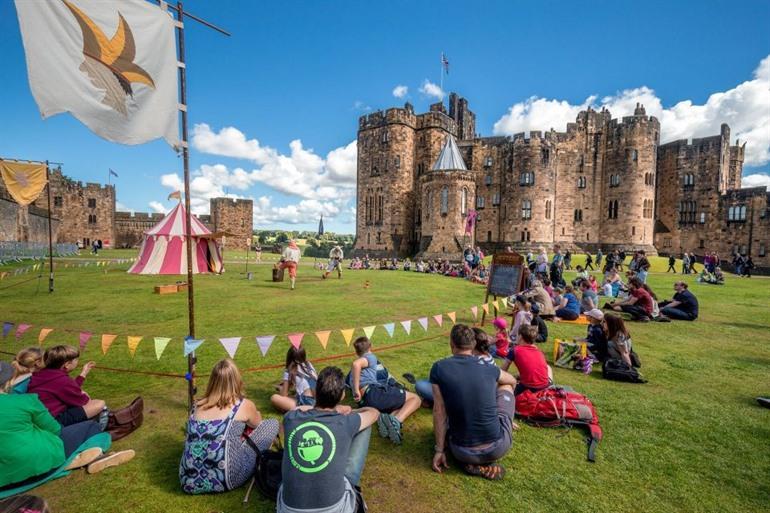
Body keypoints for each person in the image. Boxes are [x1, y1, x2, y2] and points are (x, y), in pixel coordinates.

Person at [0, 362, 129, 491]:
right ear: (8, 382)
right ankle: (88, 455)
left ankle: (86, 455)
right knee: (90, 427)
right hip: (41, 460)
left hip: (5, 478)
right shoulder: (25, 401)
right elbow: (55, 429)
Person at [278, 366, 378, 512]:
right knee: (365, 426)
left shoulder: (291, 418)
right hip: (335, 509)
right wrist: (348, 411)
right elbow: (373, 413)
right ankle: (351, 487)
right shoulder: (346, 422)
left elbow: (296, 409)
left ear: (316, 392)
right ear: (342, 395)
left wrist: (335, 410)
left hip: (287, 509)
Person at [430, 324, 517, 480]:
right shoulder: (489, 367)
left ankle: (469, 462)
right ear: (473, 345)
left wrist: (439, 450)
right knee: (506, 386)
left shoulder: (439, 368)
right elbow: (511, 381)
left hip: (460, 450)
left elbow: (439, 411)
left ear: (452, 344)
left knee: (450, 420)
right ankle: (506, 424)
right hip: (498, 447)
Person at [180, 359, 279, 494]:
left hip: (188, 480)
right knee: (272, 424)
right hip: (228, 479)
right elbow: (258, 425)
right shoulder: (242, 404)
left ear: (212, 381)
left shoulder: (197, 406)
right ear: (236, 380)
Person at [349, 337, 421, 444]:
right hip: (374, 394)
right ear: (370, 347)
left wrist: (356, 391)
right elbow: (356, 364)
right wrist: (356, 390)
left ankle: (389, 419)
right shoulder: (370, 357)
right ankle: (397, 421)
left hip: (365, 402)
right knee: (415, 398)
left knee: (403, 404)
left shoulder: (353, 374)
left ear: (356, 352)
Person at [28, 345, 107, 428]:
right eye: (76, 360)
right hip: (53, 421)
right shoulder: (62, 380)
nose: (77, 362)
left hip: (37, 418)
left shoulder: (40, 373)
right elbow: (83, 401)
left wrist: (83, 373)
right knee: (99, 404)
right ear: (67, 364)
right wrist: (85, 395)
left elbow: (69, 389)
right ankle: (99, 428)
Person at [502, 325, 552, 393]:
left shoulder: (515, 350)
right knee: (548, 367)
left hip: (528, 388)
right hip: (545, 387)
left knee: (506, 385)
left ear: (520, 337)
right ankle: (550, 386)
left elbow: (503, 370)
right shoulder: (538, 351)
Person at [271, 346, 318, 412]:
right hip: (318, 399)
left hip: (307, 402)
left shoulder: (289, 371)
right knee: (294, 395)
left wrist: (281, 389)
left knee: (274, 398)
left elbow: (284, 395)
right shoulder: (308, 364)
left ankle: (301, 409)